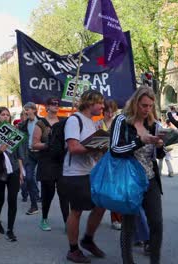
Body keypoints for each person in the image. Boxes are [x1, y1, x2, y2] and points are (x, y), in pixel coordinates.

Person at [110, 86, 165, 264]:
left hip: (150, 179)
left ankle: (155, 260)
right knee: (129, 224)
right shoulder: (121, 120)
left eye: (150, 106)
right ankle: (128, 261)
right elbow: (115, 149)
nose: (146, 109)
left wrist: (161, 146)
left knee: (157, 223)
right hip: (129, 180)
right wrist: (139, 140)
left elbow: (159, 154)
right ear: (135, 103)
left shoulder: (155, 124)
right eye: (143, 105)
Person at [63, 90, 107, 263]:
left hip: (91, 171)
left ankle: (87, 240)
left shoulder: (93, 122)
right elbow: (73, 147)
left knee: (101, 204)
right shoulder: (74, 120)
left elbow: (92, 148)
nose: (103, 106)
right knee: (76, 211)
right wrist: (96, 146)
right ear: (90, 103)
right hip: (75, 173)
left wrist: (103, 146)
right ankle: (73, 250)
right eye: (100, 103)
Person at [0, 107, 25, 242]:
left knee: (12, 200)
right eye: (2, 115)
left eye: (7, 115)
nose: (5, 117)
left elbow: (20, 155)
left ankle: (10, 229)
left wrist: (21, 171)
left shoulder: (15, 134)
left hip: (13, 171)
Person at [32, 97, 70, 232]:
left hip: (60, 161)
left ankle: (67, 222)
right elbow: (34, 144)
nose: (56, 105)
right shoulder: (40, 124)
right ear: (47, 106)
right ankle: (44, 218)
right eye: (53, 104)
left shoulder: (63, 122)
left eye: (58, 104)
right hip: (46, 161)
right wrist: (48, 145)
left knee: (64, 193)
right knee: (48, 193)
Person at [96, 99, 123, 231]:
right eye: (107, 111)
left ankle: (116, 218)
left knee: (115, 191)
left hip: (116, 161)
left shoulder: (119, 124)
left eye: (113, 111)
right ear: (103, 111)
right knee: (101, 191)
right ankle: (97, 215)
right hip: (101, 161)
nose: (110, 114)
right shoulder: (97, 124)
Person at [18, 102, 42, 215]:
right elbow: (20, 141)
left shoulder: (42, 122)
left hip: (41, 153)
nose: (25, 112)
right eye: (24, 110)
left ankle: (44, 200)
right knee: (29, 178)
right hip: (29, 154)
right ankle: (34, 205)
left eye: (27, 109)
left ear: (34, 110)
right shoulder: (22, 125)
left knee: (45, 179)